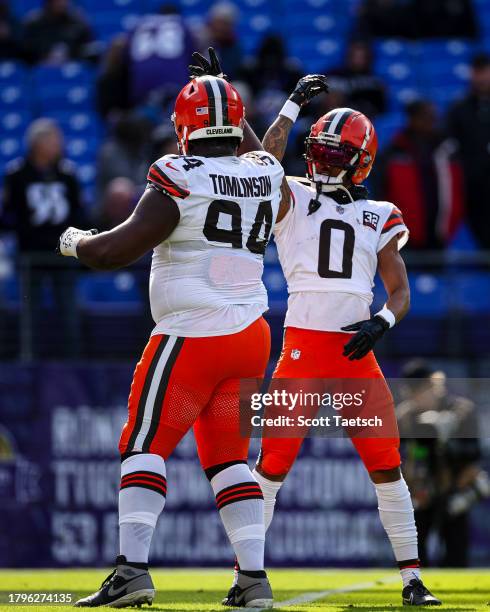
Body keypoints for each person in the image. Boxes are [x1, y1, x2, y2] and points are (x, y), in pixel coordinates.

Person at [57, 49, 289, 609]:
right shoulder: (263, 171)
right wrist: (227, 90)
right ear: (236, 123)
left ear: (183, 126)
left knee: (143, 444)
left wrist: (75, 242)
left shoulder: (178, 174)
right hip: (251, 334)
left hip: (192, 332)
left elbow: (115, 251)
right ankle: (252, 580)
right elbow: (262, 159)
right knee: (229, 460)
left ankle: (131, 571)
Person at [217, 76, 442, 604]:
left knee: (387, 468)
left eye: (334, 155)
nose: (322, 163)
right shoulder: (292, 194)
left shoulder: (377, 213)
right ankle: (244, 576)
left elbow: (400, 290)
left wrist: (382, 321)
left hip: (353, 355)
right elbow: (261, 156)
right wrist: (289, 105)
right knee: (271, 468)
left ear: (361, 161)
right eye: (318, 152)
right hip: (301, 351)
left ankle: (412, 579)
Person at [0, 118, 86, 359]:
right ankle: (28, 358)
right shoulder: (17, 175)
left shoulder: (67, 174)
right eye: (53, 139)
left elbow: (79, 212)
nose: (59, 144)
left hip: (63, 253)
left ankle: (74, 361)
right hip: (31, 254)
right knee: (30, 310)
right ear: (38, 143)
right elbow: (9, 214)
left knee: (69, 308)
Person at [398, 359, 490, 567]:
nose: (416, 396)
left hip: (456, 487)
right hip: (423, 490)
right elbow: (398, 452)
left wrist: (445, 441)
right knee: (416, 550)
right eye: (412, 391)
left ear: (434, 385)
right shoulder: (406, 416)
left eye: (421, 389)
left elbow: (474, 454)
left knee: (456, 553)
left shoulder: (462, 410)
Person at [374, 100, 464, 250]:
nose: (432, 122)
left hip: (439, 234)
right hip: (402, 235)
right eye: (426, 117)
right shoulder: (393, 153)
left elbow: (457, 191)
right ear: (412, 119)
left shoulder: (447, 151)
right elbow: (380, 192)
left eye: (434, 117)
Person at [447, 53, 490, 249]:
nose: (481, 77)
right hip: (472, 188)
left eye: (485, 71)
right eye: (477, 72)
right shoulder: (459, 110)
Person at [328, 39, 386, 118]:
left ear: (368, 59)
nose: (357, 61)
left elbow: (381, 108)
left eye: (361, 57)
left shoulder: (375, 82)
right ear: (348, 56)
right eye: (355, 56)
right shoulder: (334, 75)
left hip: (365, 119)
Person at [22, 0, 93, 64]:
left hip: (71, 69)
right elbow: (25, 53)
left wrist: (71, 56)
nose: (62, 2)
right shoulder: (34, 24)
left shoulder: (77, 23)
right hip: (40, 69)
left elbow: (88, 50)